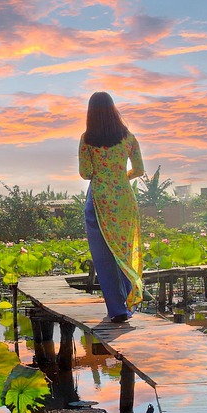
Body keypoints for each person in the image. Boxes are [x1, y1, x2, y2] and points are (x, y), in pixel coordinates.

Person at [78, 91, 144, 322]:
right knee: (123, 252)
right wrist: (119, 175)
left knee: (104, 256)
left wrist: (104, 174)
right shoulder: (128, 137)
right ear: (114, 109)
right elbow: (139, 170)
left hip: (99, 199)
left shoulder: (87, 139)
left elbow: (85, 173)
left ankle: (117, 310)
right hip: (124, 199)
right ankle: (129, 301)